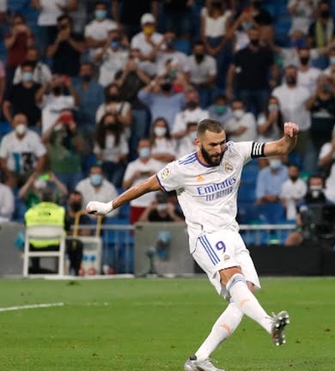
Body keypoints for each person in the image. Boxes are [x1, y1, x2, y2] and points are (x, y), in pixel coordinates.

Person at [86, 118, 298, 370]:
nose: (219, 149)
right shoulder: (181, 169)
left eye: (221, 142)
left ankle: (199, 360)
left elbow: (281, 148)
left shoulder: (236, 151)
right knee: (235, 280)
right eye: (212, 145)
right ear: (198, 142)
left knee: (243, 295)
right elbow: (145, 186)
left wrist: (291, 136)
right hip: (204, 236)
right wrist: (109, 206)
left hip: (232, 234)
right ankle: (269, 324)